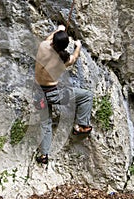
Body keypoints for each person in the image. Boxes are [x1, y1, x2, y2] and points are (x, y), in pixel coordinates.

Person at [34, 25, 93, 164]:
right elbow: (75, 56)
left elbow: (48, 39)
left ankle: (43, 155)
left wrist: (59, 30)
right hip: (54, 94)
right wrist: (77, 46)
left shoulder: (43, 47)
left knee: (46, 124)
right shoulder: (64, 60)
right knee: (86, 95)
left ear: (53, 41)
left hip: (38, 93)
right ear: (64, 47)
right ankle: (81, 125)